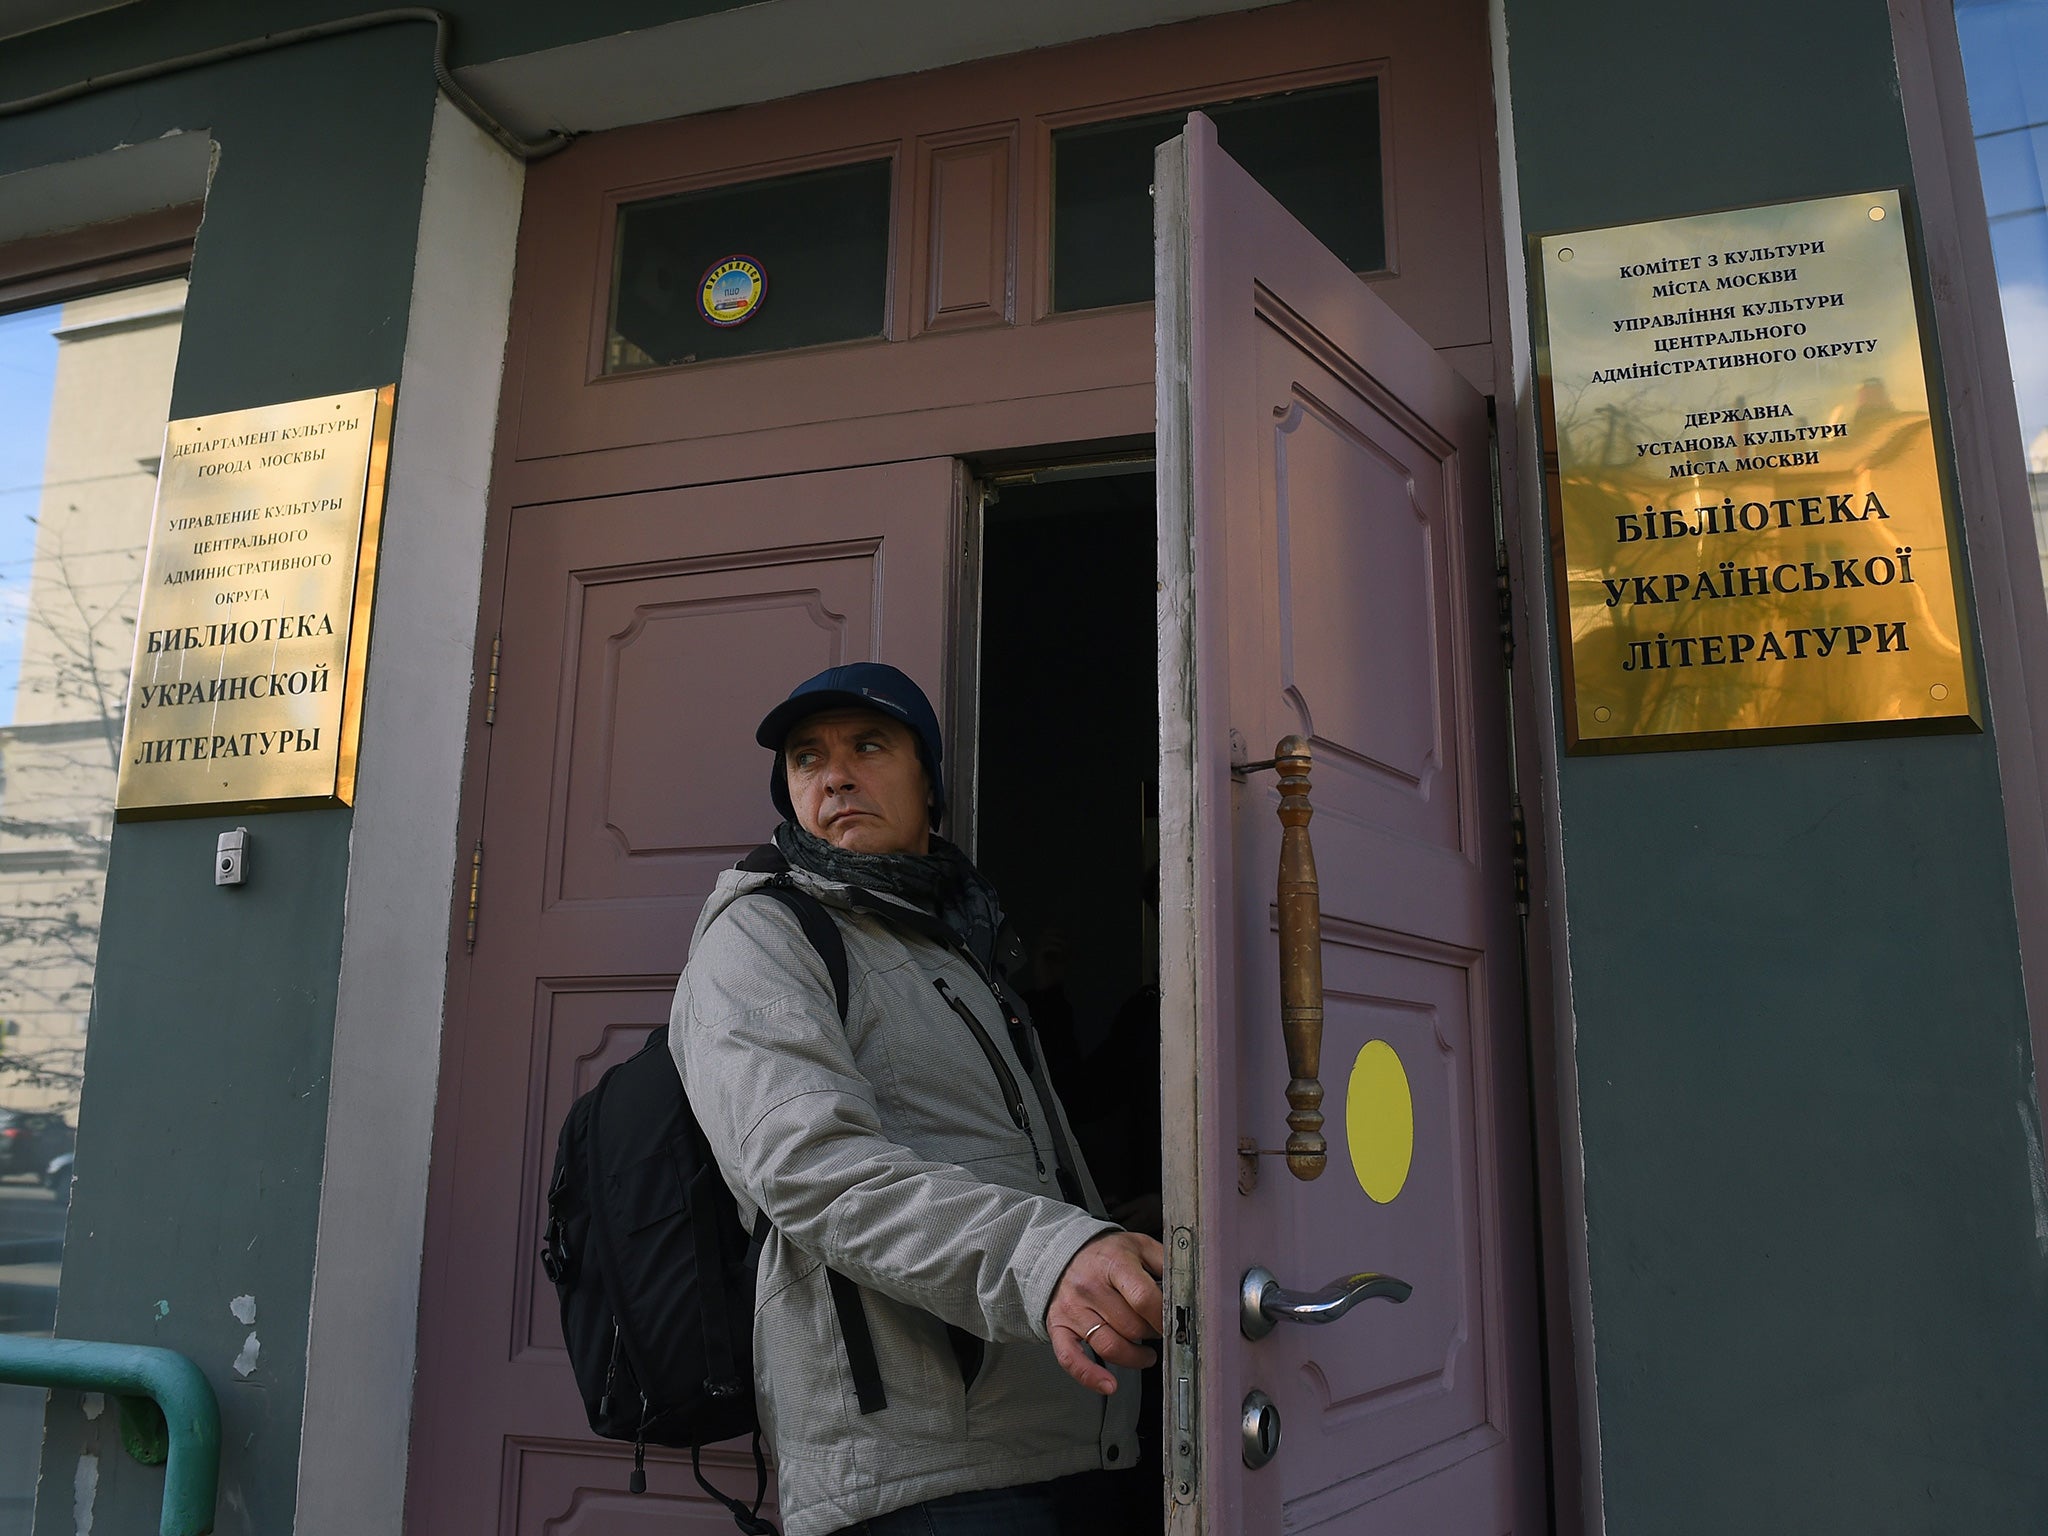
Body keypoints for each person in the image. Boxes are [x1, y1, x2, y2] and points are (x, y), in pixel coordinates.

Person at [669, 662, 1165, 1536]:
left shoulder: (956, 948)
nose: (835, 775)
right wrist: (1047, 1259)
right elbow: (810, 1170)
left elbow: (1011, 1155)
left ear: (928, 782)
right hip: (919, 1475)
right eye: (805, 758)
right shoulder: (764, 933)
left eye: (869, 746)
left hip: (1072, 1438)